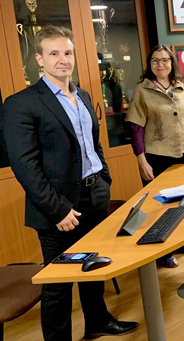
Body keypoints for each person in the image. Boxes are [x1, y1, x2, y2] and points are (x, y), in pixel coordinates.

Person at [1, 26, 139, 340]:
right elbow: (25, 167)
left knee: (93, 268)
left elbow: (92, 143)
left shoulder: (84, 95)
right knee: (58, 283)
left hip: (94, 195)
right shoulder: (21, 103)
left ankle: (97, 323)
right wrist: (58, 210)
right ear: (39, 58)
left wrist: (104, 178)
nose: (63, 60)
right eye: (53, 53)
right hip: (57, 209)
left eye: (67, 52)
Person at [126, 45, 184, 268]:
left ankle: (180, 242)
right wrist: (141, 159)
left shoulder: (180, 87)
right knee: (160, 205)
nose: (161, 65)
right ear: (150, 65)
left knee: (183, 201)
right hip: (157, 156)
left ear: (171, 63)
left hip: (183, 153)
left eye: (165, 60)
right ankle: (161, 253)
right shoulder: (143, 90)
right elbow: (135, 127)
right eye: (155, 61)